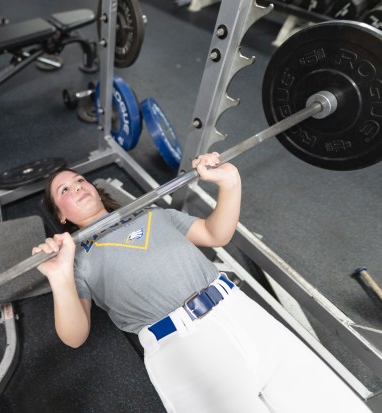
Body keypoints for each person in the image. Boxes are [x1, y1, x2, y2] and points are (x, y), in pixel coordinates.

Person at [32, 153, 371, 413]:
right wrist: (60, 278)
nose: (78, 186)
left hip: (241, 313)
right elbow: (75, 336)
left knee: (332, 402)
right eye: (65, 189)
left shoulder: (153, 215)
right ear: (61, 215)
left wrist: (230, 182)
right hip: (183, 346)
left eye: (80, 180)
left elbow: (215, 233)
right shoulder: (76, 259)